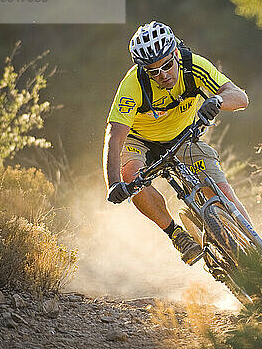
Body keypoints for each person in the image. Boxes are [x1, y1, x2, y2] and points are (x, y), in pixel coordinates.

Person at [103, 21, 251, 265]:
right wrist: (114, 183)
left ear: (175, 55)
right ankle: (175, 233)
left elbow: (240, 97)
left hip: (182, 136)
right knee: (130, 175)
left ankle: (259, 253)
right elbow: (115, 136)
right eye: (154, 71)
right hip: (139, 141)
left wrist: (216, 100)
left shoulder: (193, 65)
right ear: (144, 70)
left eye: (167, 65)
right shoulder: (133, 85)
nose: (163, 75)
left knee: (219, 189)